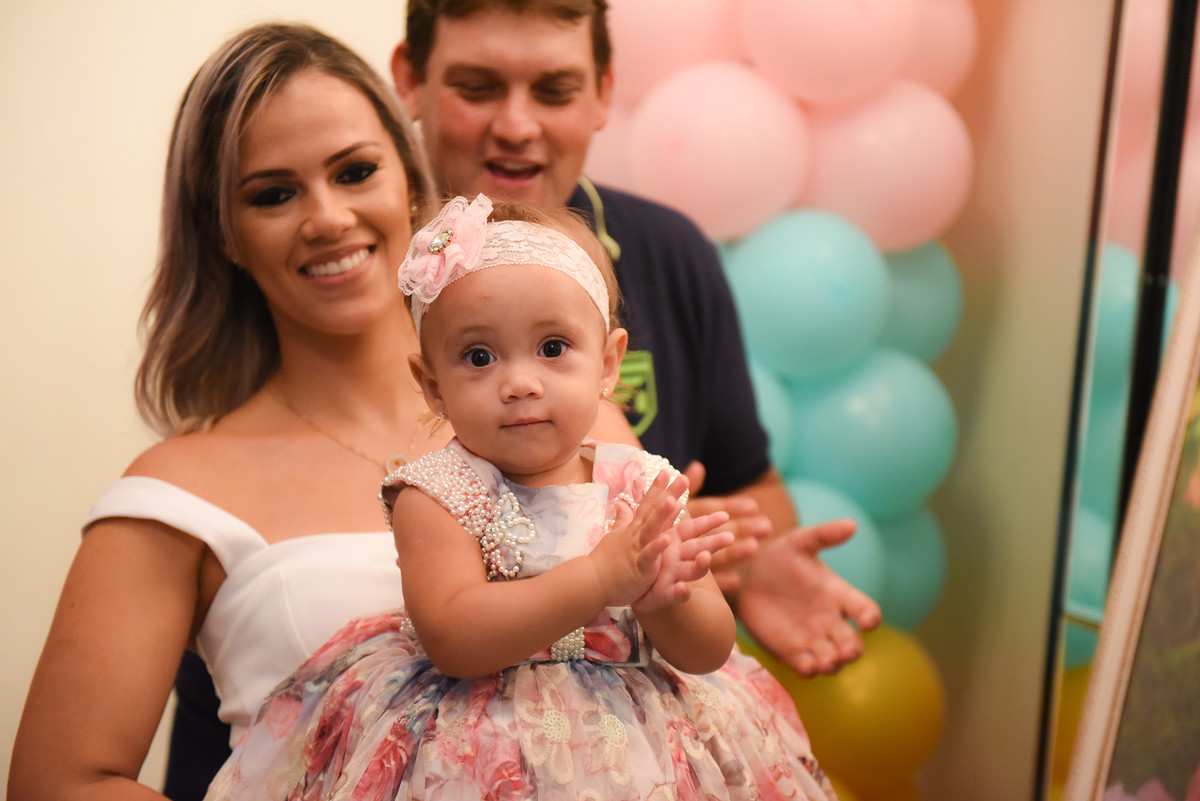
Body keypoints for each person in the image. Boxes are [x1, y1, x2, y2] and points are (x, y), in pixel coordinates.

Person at [7, 22, 628, 801]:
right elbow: (55, 782)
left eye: (355, 171)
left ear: (409, 178)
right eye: (273, 194)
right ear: (225, 234)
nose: (328, 217)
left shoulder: (573, 419)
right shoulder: (174, 493)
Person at [201, 194, 840, 801]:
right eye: (479, 356)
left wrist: (664, 601)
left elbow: (709, 652)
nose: (520, 382)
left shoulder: (641, 485)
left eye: (553, 348)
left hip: (643, 743)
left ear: (608, 364)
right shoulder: (438, 495)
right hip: (480, 743)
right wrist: (599, 578)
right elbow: (454, 638)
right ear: (432, 385)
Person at [391, 0, 881, 669]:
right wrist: (601, 572)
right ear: (410, 80)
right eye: (477, 88)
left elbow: (752, 491)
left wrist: (719, 561)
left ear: (604, 91)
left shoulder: (672, 253)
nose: (516, 126)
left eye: (555, 90)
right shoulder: (364, 271)